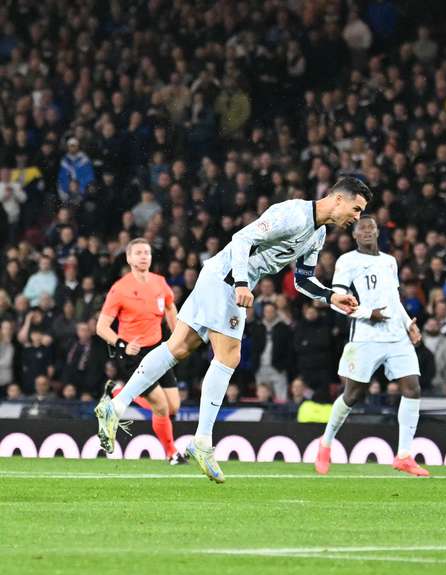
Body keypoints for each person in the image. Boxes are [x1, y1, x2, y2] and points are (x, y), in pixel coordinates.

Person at [94, 178, 367, 483]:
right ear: (339, 199)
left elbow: (302, 280)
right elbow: (241, 239)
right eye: (356, 209)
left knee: (178, 347)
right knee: (228, 356)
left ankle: (115, 406)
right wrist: (240, 282)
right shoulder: (293, 214)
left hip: (220, 276)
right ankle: (202, 441)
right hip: (227, 280)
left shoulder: (317, 235)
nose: (357, 217)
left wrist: (331, 296)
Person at [314, 215, 427, 477]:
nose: (366, 231)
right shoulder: (347, 261)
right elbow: (336, 301)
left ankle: (404, 456)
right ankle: (326, 442)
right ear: (354, 235)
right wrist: (368, 313)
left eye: (370, 228)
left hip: (396, 336)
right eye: (361, 228)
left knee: (413, 388)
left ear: (377, 232)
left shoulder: (389, 261)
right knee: (353, 395)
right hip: (365, 337)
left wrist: (409, 323)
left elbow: (393, 299)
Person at [96, 238, 186, 464]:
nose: (144, 256)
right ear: (128, 258)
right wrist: (122, 345)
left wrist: (177, 337)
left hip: (159, 352)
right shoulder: (120, 289)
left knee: (173, 406)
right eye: (138, 253)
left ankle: (116, 394)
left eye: (147, 252)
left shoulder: (159, 283)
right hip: (132, 355)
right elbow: (101, 327)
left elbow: (170, 307)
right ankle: (172, 454)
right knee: (161, 405)